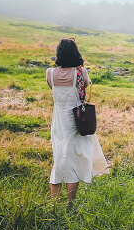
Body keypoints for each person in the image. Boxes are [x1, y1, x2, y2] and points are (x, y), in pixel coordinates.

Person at [46, 38, 109, 203]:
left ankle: (54, 202)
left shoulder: (50, 74)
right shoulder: (81, 73)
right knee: (72, 161)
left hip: (58, 122)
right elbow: (86, 85)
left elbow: (53, 88)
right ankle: (70, 204)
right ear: (76, 53)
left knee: (59, 158)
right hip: (76, 121)